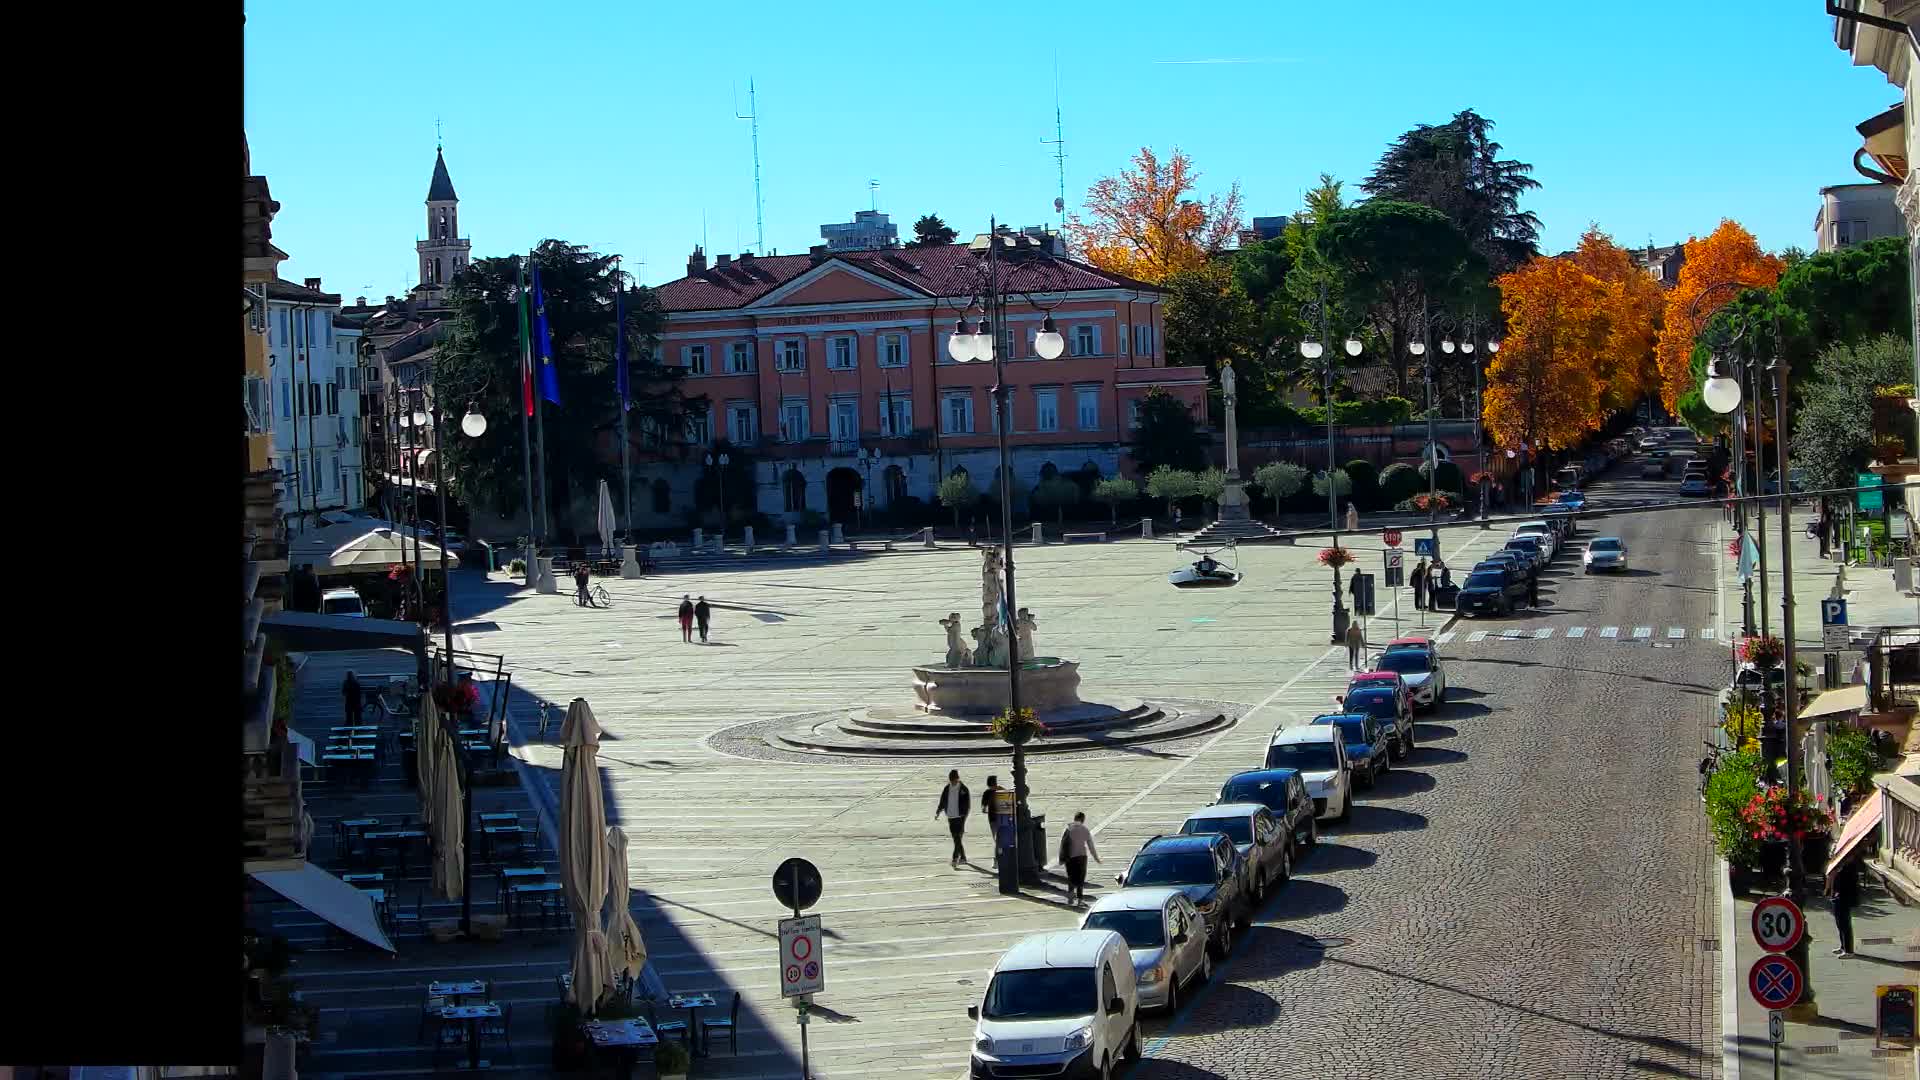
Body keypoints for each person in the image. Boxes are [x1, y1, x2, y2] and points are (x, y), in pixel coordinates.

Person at [1058, 812, 1101, 906]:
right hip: (1082, 856)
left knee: (1071, 876)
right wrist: (1096, 858)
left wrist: (1061, 858)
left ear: (1074, 819)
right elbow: (1090, 845)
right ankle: (1080, 899)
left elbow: (1063, 844)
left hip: (1070, 857)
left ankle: (1070, 897)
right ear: (1083, 819)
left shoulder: (1068, 829)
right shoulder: (1085, 829)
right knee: (1080, 878)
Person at [934, 770, 971, 868]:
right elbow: (942, 800)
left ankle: (955, 858)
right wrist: (938, 811)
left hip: (960, 816)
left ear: (957, 779)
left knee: (957, 837)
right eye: (951, 780)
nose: (952, 782)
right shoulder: (947, 788)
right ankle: (963, 857)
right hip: (950, 816)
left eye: (954, 780)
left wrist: (964, 815)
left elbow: (967, 804)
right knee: (956, 838)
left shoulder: (963, 789)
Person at [1827, 857, 1861, 957]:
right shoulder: (1840, 864)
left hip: (1844, 896)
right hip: (1838, 896)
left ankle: (1849, 951)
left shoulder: (1849, 864)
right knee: (1839, 923)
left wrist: (1836, 872)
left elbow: (1848, 881)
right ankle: (1843, 946)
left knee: (1845, 923)